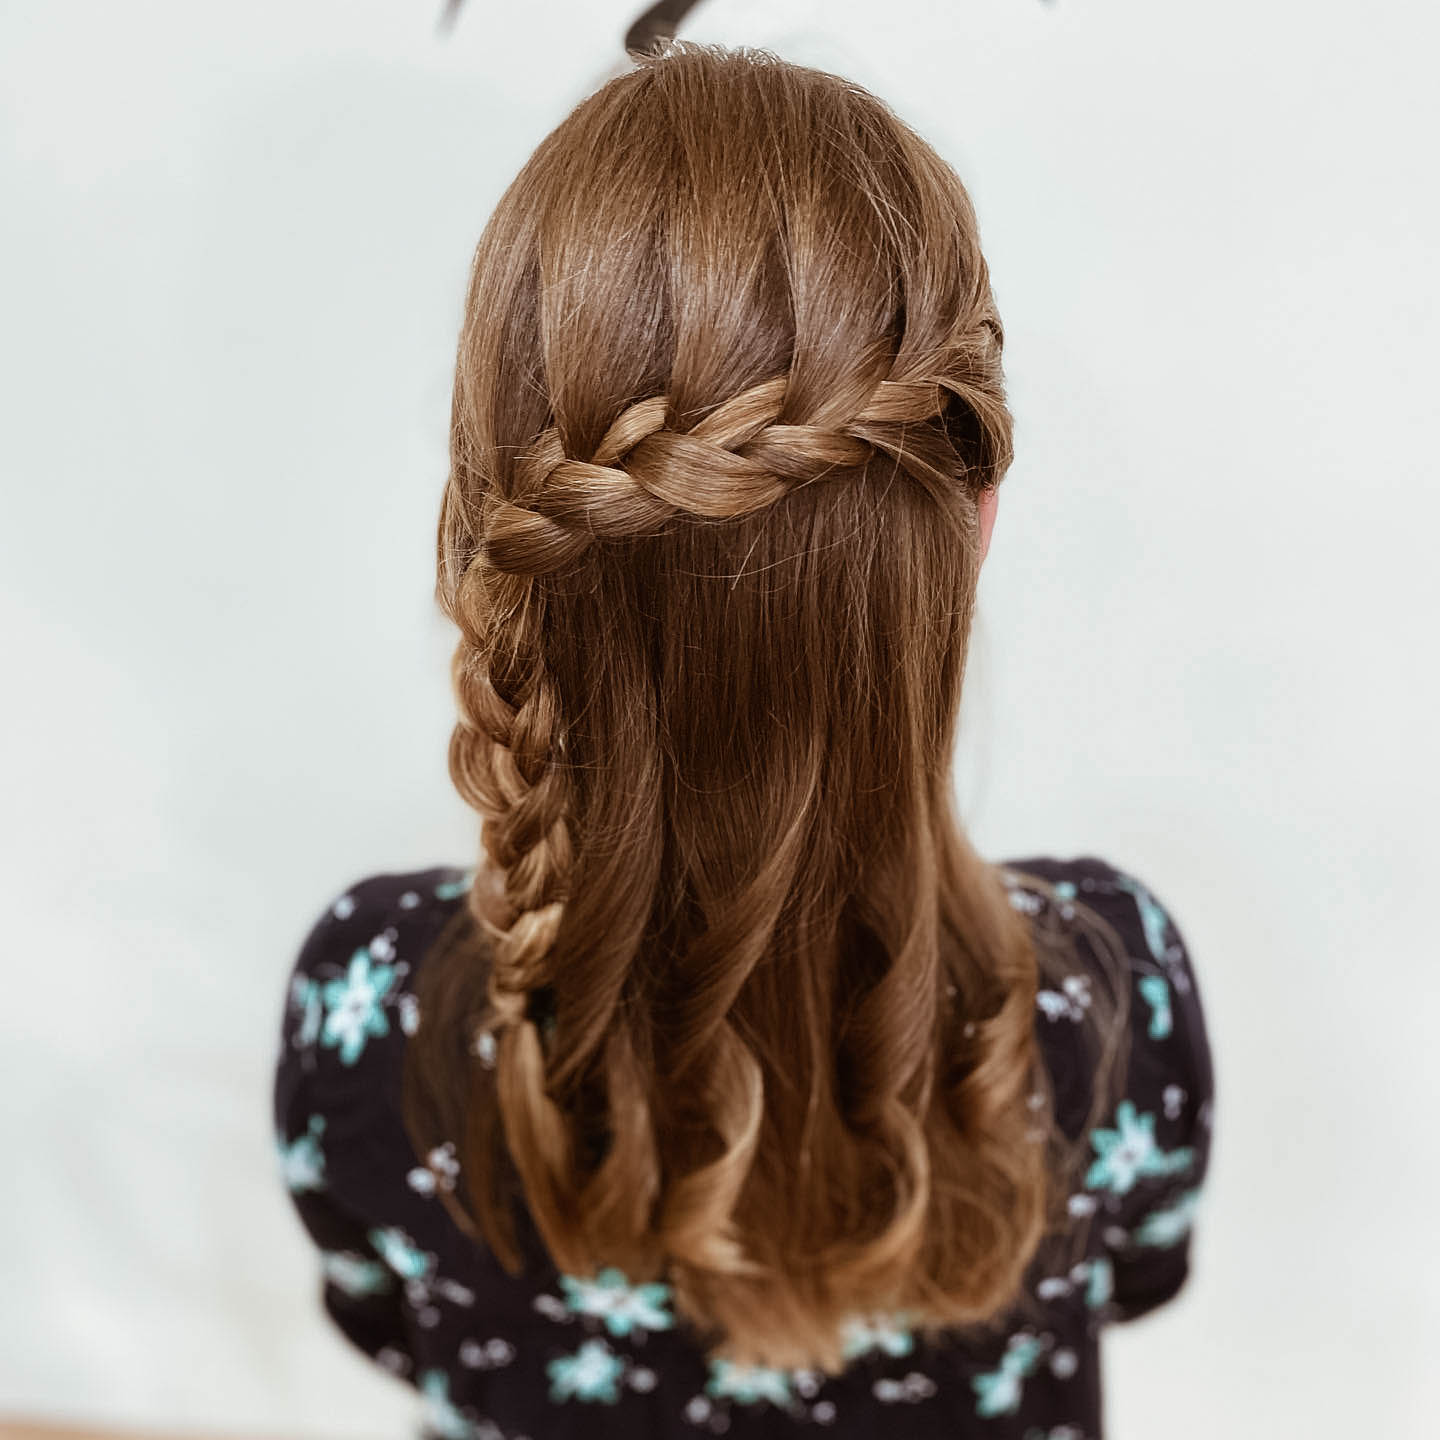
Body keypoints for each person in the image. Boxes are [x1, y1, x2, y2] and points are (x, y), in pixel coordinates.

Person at [272, 41, 1214, 1439]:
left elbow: (380, 1319)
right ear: (974, 519)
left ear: (484, 528)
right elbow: (1144, 1276)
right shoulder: (1106, 1000)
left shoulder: (373, 1012)